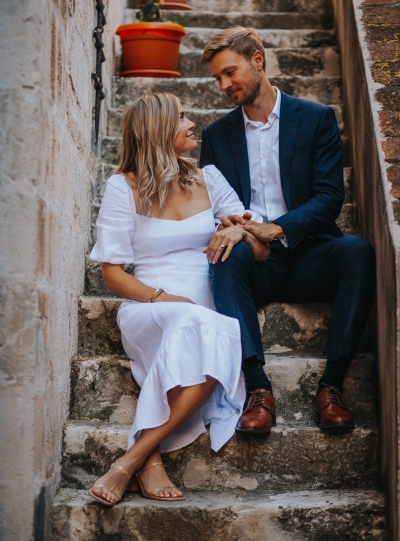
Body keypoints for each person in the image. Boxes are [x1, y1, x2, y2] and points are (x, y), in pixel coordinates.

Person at [87, 92, 269, 507]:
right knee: (201, 326)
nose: (191, 123)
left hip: (208, 304)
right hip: (150, 305)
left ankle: (134, 460)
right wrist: (167, 298)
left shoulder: (209, 178)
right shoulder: (123, 187)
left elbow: (259, 247)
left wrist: (240, 230)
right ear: (157, 131)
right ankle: (143, 461)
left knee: (216, 329)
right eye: (181, 117)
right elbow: (112, 275)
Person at [200, 26, 376, 435]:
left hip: (308, 255)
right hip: (253, 266)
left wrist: (275, 228)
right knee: (223, 252)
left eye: (230, 72)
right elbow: (216, 205)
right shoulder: (215, 136)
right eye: (217, 78)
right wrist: (235, 229)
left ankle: (332, 386)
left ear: (257, 60)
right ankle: (258, 391)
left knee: (357, 251)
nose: (224, 85)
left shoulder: (315, 119)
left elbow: (330, 197)